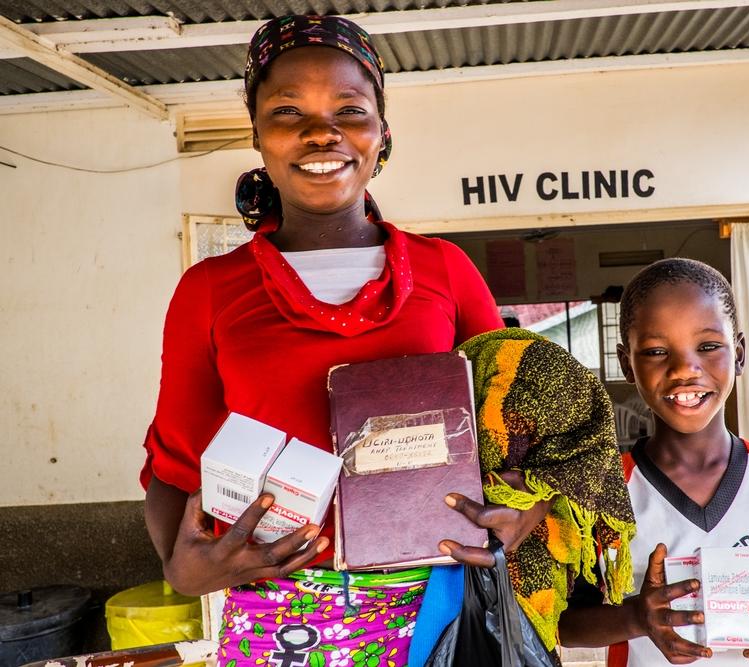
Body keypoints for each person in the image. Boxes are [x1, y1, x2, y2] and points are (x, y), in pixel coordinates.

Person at [140, 15, 550, 666]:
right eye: (286, 109)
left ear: (381, 131)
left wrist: (522, 513)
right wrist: (180, 567)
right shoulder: (211, 290)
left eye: (349, 109)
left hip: (442, 610)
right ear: (257, 134)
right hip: (279, 617)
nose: (320, 131)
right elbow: (172, 466)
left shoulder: (445, 271)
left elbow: (528, 437)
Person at [558, 258, 749, 665]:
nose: (684, 369)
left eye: (707, 346)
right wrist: (635, 616)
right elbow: (565, 624)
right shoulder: (601, 494)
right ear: (626, 364)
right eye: (655, 351)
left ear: (738, 354)